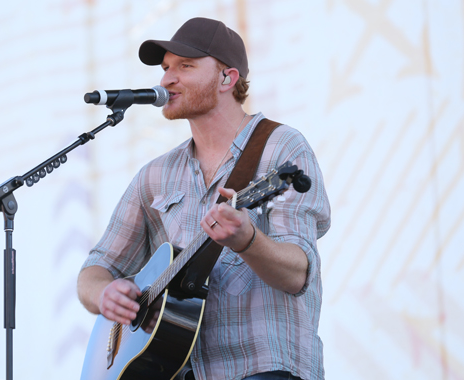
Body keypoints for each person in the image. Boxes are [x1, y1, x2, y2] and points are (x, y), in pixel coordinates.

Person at [77, 17, 331, 380]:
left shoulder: (281, 148)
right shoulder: (156, 175)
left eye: (185, 66)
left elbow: (298, 273)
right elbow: (95, 269)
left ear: (227, 78)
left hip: (264, 367)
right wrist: (104, 293)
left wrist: (248, 241)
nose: (166, 79)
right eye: (165, 68)